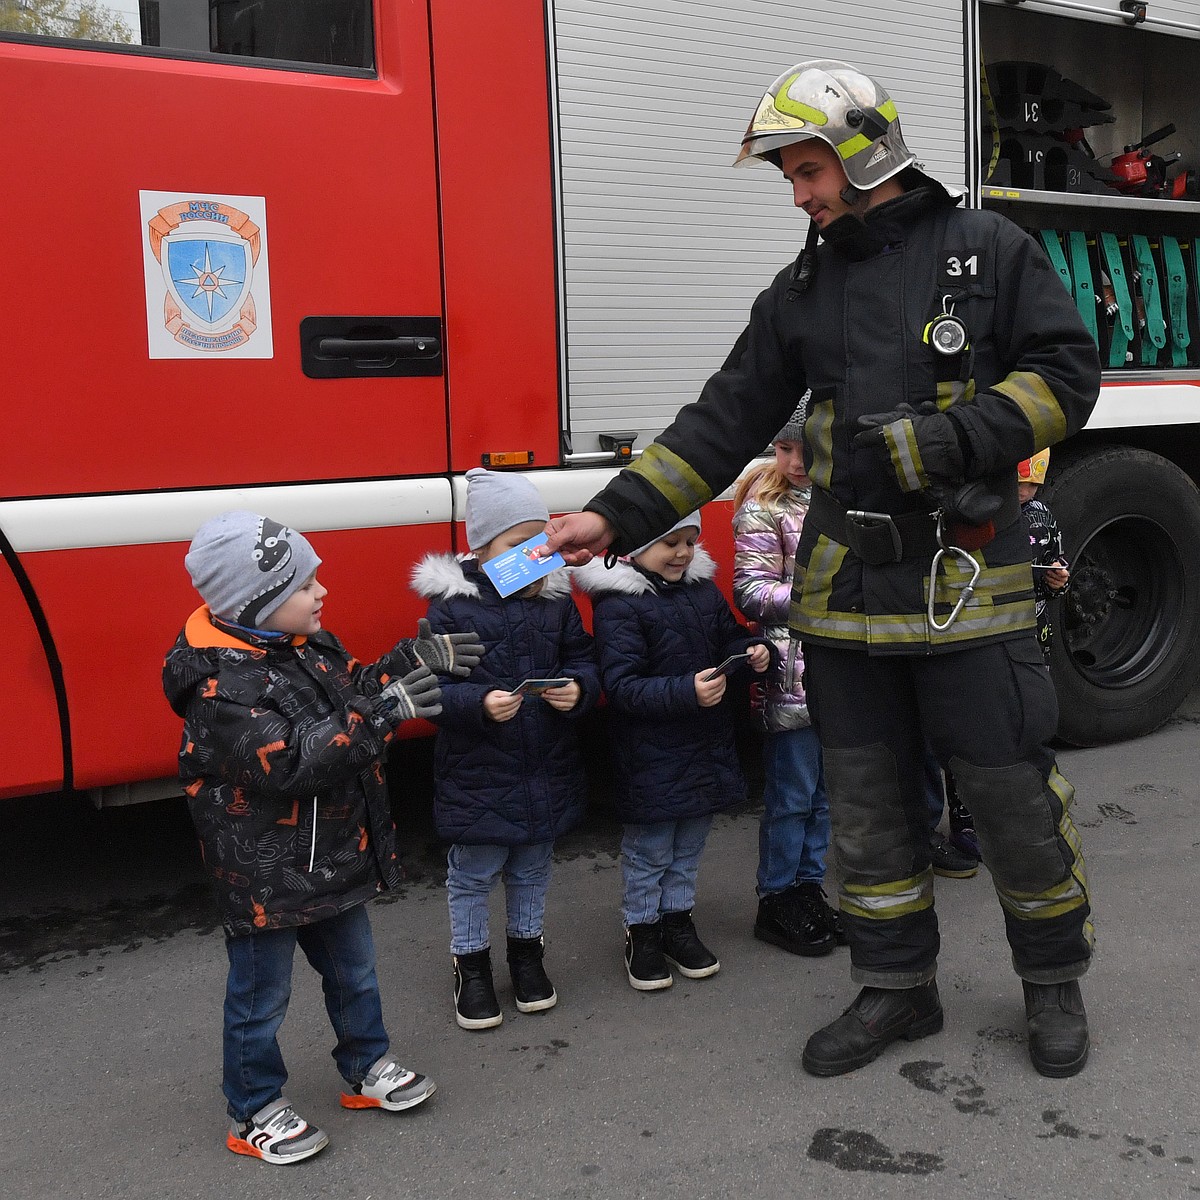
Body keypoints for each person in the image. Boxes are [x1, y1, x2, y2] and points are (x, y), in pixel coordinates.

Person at [542, 60, 1101, 1079]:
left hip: (973, 589)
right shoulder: (800, 291)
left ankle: (1052, 985)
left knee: (1012, 801)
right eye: (790, 177)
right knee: (869, 806)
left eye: (807, 170)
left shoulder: (989, 250)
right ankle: (897, 989)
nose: (798, 195)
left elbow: (1068, 378)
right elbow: (721, 424)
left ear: (863, 150)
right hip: (848, 603)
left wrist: (945, 441)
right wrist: (611, 516)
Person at [164, 511, 474, 1163]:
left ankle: (366, 1067)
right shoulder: (221, 690)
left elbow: (352, 692)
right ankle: (253, 1110)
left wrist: (404, 663)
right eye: (304, 585)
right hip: (265, 877)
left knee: (355, 972)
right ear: (259, 604)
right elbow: (288, 762)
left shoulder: (309, 646)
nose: (320, 593)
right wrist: (388, 711)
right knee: (260, 998)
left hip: (332, 853)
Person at [411, 468, 600, 1030]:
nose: (537, 554)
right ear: (481, 547)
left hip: (544, 762)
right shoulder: (451, 609)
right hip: (479, 771)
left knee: (532, 868)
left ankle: (527, 957)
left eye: (543, 542)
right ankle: (470, 967)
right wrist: (478, 705)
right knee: (473, 872)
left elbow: (583, 660)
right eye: (519, 545)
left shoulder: (556, 604)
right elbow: (430, 691)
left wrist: (580, 689)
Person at [575, 512, 771, 988]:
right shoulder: (618, 605)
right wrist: (686, 691)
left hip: (704, 747)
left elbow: (728, 639)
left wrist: (754, 651)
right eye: (669, 542)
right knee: (650, 850)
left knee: (688, 847)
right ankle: (642, 931)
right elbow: (620, 687)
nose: (682, 553)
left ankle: (678, 922)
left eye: (690, 541)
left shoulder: (702, 591)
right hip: (651, 756)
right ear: (634, 547)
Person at [732, 410, 844, 954]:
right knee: (792, 796)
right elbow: (750, 592)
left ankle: (808, 889)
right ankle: (776, 898)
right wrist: (820, 600)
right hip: (791, 674)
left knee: (824, 796)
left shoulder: (837, 502)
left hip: (839, 671)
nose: (796, 463)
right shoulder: (763, 506)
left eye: (807, 451)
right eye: (784, 449)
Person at [1019, 449, 1071, 659]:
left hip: (1035, 632)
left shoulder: (1043, 516)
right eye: (1018, 482)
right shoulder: (980, 514)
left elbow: (1054, 561)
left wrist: (1058, 582)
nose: (1024, 491)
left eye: (1032, 485)